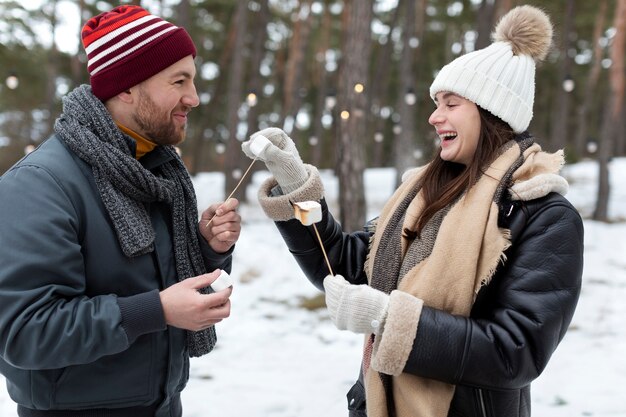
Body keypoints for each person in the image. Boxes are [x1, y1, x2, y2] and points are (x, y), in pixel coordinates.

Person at [241, 5, 583, 417]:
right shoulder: (420, 195)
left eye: (451, 103)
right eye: (436, 102)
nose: (434, 116)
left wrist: (391, 319)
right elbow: (348, 265)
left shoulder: (541, 215)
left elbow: (516, 351)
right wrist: (296, 187)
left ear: (493, 112)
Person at [0, 5, 240, 417]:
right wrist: (158, 311)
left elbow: (146, 275)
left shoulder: (155, 170)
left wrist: (207, 248)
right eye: (179, 81)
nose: (194, 98)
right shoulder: (39, 184)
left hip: (162, 404)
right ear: (126, 87)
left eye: (193, 80)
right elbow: (23, 332)